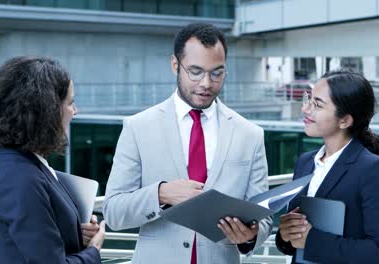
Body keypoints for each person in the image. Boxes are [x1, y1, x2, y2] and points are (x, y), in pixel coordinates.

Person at [103, 23, 272, 264]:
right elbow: (113, 212)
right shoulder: (138, 127)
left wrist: (250, 236)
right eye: (195, 71)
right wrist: (161, 194)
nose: (206, 83)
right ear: (175, 65)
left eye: (217, 72)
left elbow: (263, 217)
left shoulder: (250, 134)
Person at [0, 56, 105, 263]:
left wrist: (76, 232)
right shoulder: (22, 179)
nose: (75, 111)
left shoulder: (23, 165)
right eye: (70, 102)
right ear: (47, 111)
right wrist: (93, 251)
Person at [275, 69, 379, 263]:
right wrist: (285, 235)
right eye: (309, 99)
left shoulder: (373, 170)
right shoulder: (305, 162)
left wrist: (312, 241)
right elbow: (293, 243)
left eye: (317, 104)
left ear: (344, 120)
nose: (305, 109)